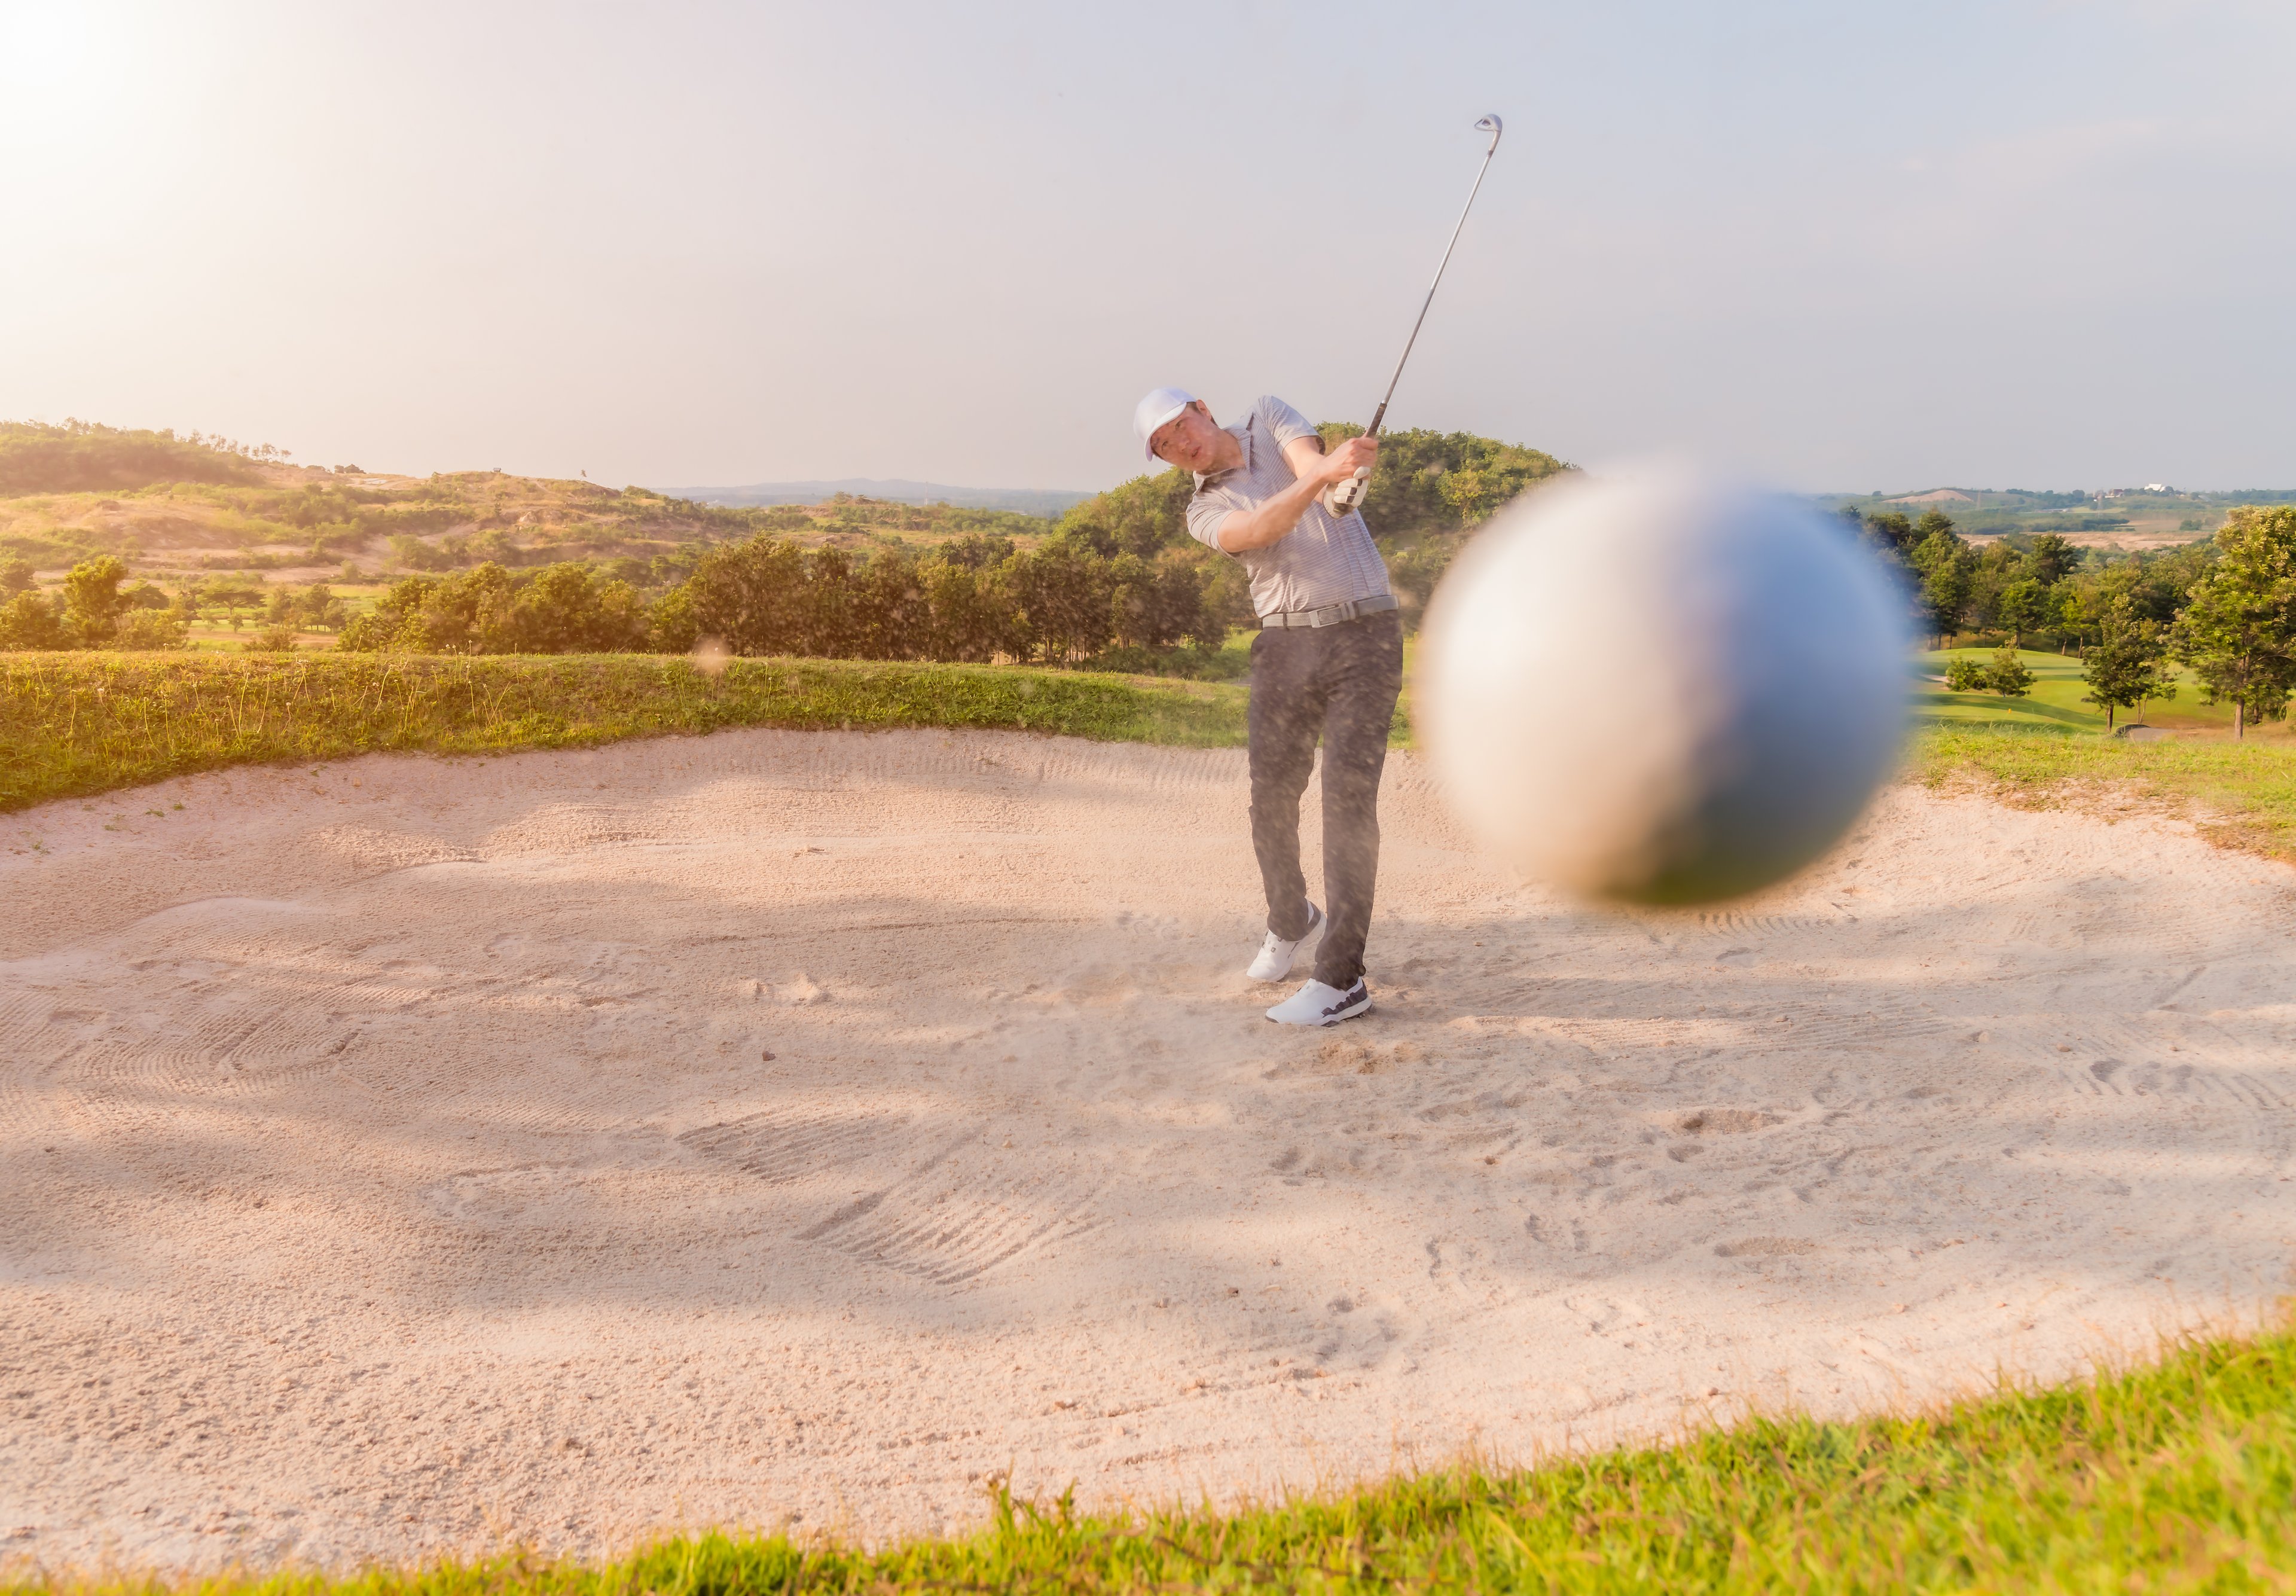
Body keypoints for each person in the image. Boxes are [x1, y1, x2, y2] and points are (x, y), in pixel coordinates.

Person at [1135, 387, 1403, 1027]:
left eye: (1181, 427)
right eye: (1167, 446)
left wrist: (1340, 474)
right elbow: (1261, 528)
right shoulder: (1204, 507)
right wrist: (1325, 479)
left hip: (1366, 635)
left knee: (1347, 801)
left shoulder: (1267, 414)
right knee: (1271, 796)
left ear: (1201, 407)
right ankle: (1290, 917)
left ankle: (1341, 979)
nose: (1184, 445)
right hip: (1285, 643)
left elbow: (1310, 462)